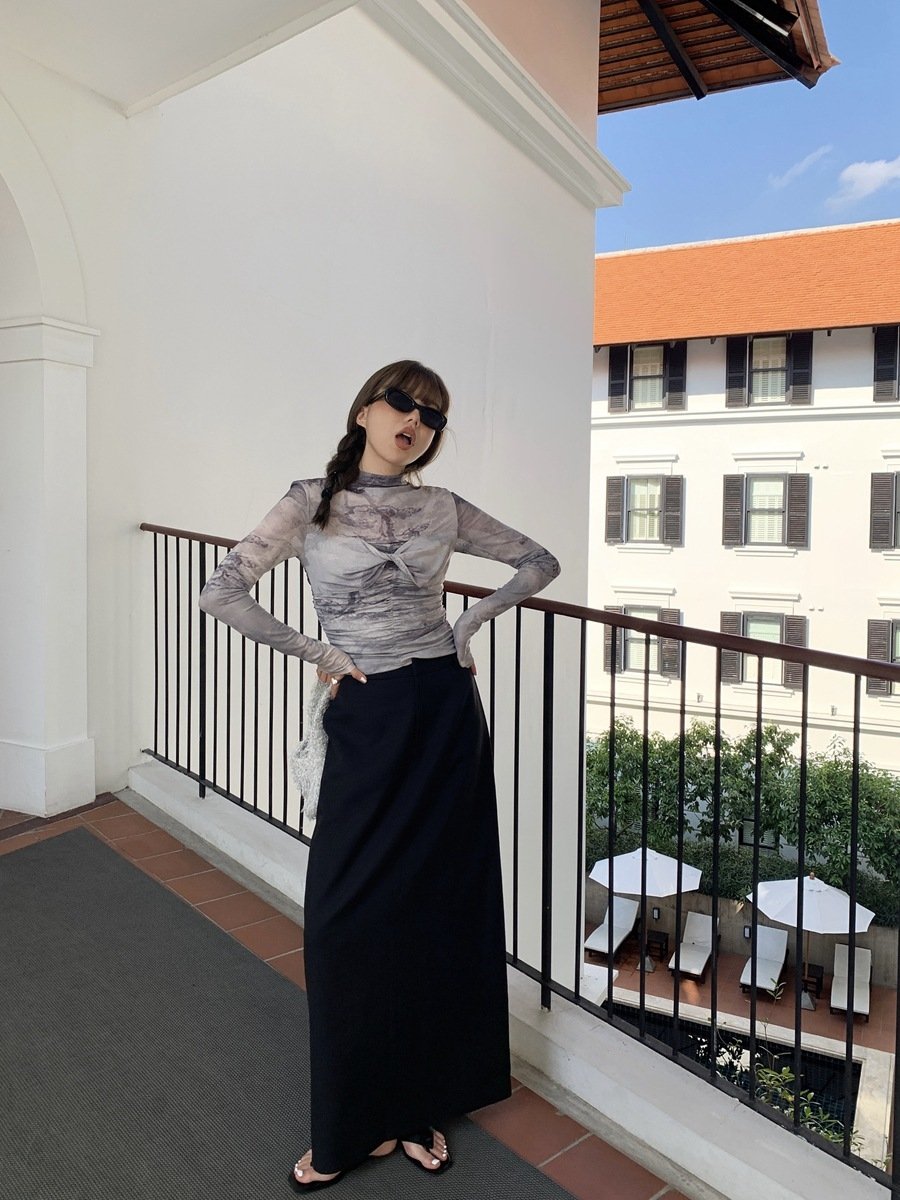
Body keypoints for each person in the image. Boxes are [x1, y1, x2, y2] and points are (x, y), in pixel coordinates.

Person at [198, 360, 560, 1191]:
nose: (416, 420)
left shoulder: (443, 507)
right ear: (365, 410)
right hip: (369, 709)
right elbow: (221, 592)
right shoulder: (310, 501)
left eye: (432, 414)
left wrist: (470, 620)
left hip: (445, 709)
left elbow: (539, 561)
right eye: (401, 402)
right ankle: (351, 1122)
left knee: (437, 907)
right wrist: (319, 653)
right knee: (345, 913)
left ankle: (418, 1104)